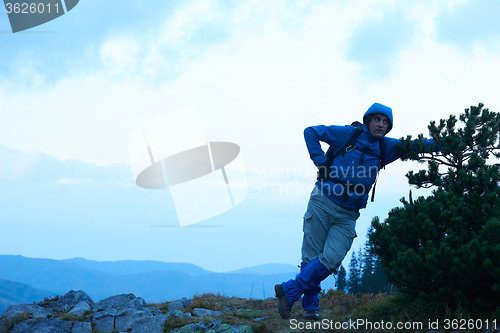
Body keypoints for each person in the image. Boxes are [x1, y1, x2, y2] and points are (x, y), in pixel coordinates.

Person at [275, 103, 436, 320]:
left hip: (349, 214)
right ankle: (310, 309)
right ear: (368, 120)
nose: (381, 124)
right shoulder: (348, 135)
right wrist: (320, 161)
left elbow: (417, 145)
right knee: (311, 256)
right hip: (322, 201)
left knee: (331, 259)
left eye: (386, 122)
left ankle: (289, 290)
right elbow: (311, 131)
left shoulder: (386, 147)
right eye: (377, 119)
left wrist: (451, 142)